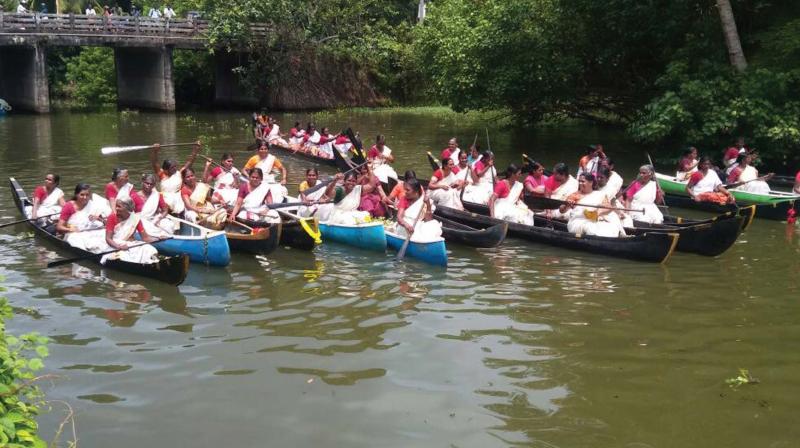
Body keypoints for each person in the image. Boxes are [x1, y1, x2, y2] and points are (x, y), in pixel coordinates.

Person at [559, 173, 625, 237]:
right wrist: (567, 205)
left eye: (583, 181)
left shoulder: (600, 195)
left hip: (595, 220)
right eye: (579, 181)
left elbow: (608, 207)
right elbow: (561, 210)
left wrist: (598, 213)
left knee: (612, 226)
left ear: (591, 183)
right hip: (578, 222)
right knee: (589, 227)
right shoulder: (575, 195)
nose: (580, 183)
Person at [101, 196, 160, 264]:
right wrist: (119, 247)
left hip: (131, 244)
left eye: (119, 206)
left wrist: (158, 238)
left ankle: (150, 262)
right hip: (115, 244)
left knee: (150, 249)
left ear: (127, 208)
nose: (116, 208)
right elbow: (108, 239)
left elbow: (146, 238)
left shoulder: (135, 218)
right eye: (116, 206)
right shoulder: (112, 217)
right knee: (123, 255)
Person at [56, 183, 111, 252]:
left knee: (106, 233)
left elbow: (106, 223)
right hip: (75, 234)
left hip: (91, 231)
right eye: (82, 195)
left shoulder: (93, 205)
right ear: (76, 195)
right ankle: (87, 252)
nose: (85, 197)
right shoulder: (69, 206)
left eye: (87, 195)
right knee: (74, 239)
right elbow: (59, 227)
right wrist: (71, 230)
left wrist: (99, 219)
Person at [150, 142, 200, 214]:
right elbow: (154, 163)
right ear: (166, 170)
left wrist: (195, 150)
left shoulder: (179, 173)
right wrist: (155, 151)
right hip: (165, 198)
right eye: (172, 167)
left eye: (175, 166)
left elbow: (190, 161)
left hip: (178, 197)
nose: (175, 168)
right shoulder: (162, 174)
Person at [393, 178, 442, 242]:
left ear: (416, 191)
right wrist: (406, 225)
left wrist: (428, 204)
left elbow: (428, 220)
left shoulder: (424, 200)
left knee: (433, 225)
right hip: (405, 227)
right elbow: (399, 218)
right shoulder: (404, 199)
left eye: (407, 190)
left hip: (418, 226)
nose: (405, 192)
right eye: (404, 189)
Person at [133, 173, 173, 237]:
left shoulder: (157, 195)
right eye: (147, 183)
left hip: (154, 218)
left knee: (169, 224)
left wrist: (159, 219)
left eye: (151, 184)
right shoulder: (135, 196)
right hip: (140, 220)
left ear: (154, 185)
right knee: (146, 226)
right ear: (142, 182)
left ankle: (165, 237)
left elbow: (165, 210)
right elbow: (130, 213)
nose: (149, 185)